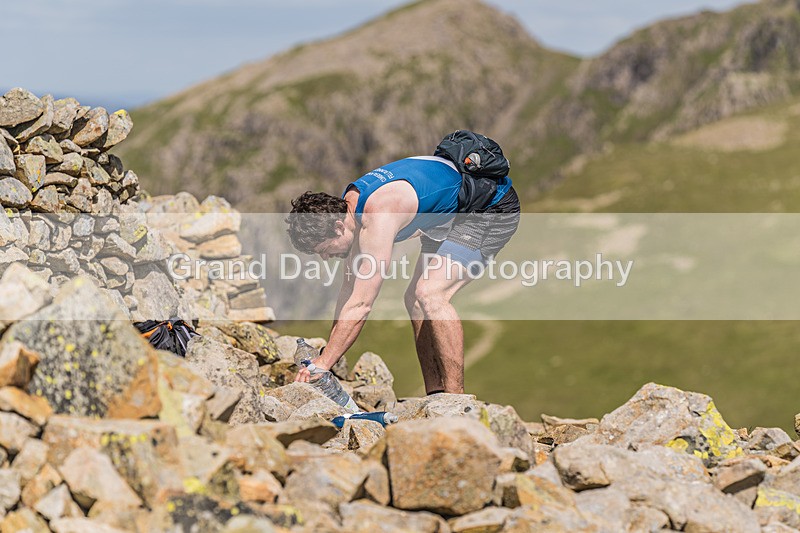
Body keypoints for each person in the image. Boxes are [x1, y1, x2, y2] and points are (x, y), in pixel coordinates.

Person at [285, 154, 520, 394]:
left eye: (324, 250)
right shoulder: (351, 205)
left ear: (337, 227)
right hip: (445, 217)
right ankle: (436, 394)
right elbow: (349, 290)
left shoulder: (377, 216)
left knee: (430, 294)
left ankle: (456, 402)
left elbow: (361, 305)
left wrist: (324, 364)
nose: (325, 258)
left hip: (488, 208)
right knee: (414, 301)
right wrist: (328, 353)